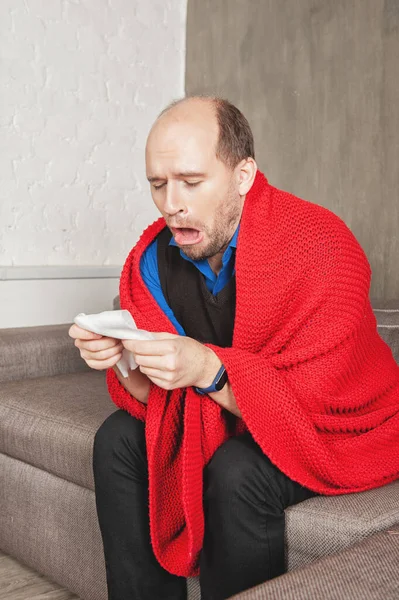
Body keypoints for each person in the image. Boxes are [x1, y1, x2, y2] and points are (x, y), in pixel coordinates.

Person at [69, 96, 399, 600]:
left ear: (244, 175)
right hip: (220, 414)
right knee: (117, 439)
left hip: (338, 429)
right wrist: (122, 361)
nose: (171, 204)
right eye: (158, 184)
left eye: (192, 182)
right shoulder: (153, 260)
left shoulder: (323, 245)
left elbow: (317, 402)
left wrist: (210, 368)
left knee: (236, 471)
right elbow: (157, 395)